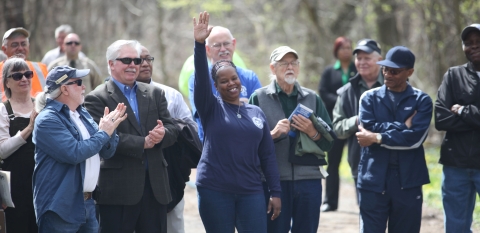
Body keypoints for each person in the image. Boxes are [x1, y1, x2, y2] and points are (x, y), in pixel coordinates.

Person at [193, 12, 281, 233]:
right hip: (215, 190)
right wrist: (199, 43)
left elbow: (268, 156)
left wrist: (275, 192)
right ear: (216, 85)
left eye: (234, 79)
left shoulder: (256, 113)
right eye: (224, 81)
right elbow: (202, 78)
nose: (231, 84)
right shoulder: (211, 107)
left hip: (251, 190)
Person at [84, 39, 179, 233]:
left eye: (137, 61)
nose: (133, 65)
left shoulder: (154, 93)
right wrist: (142, 143)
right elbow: (101, 139)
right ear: (111, 64)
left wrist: (163, 134)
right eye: (126, 60)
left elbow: (172, 128)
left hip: (155, 189)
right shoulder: (97, 98)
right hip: (118, 190)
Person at [250, 45, 334, 232]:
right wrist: (273, 134)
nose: (290, 67)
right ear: (273, 68)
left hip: (309, 181)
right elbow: (249, 145)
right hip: (274, 181)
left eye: (294, 63)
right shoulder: (259, 98)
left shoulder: (313, 98)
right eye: (284, 63)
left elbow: (329, 143)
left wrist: (313, 132)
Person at [32, 65, 126, 232]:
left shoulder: (82, 113)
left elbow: (107, 152)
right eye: (79, 82)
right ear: (64, 89)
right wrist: (104, 132)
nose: (84, 87)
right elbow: (74, 153)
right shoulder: (47, 119)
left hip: (88, 203)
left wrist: (111, 130)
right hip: (60, 207)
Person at [356, 46, 432, 233]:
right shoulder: (368, 98)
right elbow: (368, 127)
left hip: (408, 180)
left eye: (395, 71)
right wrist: (403, 126)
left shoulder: (422, 100)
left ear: (410, 72)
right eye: (385, 69)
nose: (387, 74)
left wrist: (378, 137)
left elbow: (414, 139)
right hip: (373, 178)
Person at [136, 45, 199, 233]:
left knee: (173, 225)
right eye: (140, 60)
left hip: (170, 174)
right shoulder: (116, 96)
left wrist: (169, 130)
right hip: (133, 178)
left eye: (149, 59)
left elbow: (191, 131)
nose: (146, 64)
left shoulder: (170, 95)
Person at [434, 23, 480, 233]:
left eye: (478, 42)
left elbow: (453, 117)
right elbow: (441, 119)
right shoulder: (453, 76)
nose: (474, 47)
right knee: (455, 228)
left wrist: (463, 111)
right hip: (456, 166)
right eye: (468, 43)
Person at [188, 25, 262, 142]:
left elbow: (259, 114)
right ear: (207, 50)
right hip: (213, 147)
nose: (223, 49)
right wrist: (243, 103)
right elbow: (204, 112)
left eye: (226, 43)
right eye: (217, 45)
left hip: (248, 146)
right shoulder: (198, 79)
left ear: (234, 44)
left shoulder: (249, 77)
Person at [331, 39, 383, 202]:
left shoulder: (394, 85)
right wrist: (356, 121)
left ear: (380, 60)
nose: (362, 62)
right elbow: (337, 128)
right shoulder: (346, 92)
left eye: (367, 58)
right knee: (368, 218)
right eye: (359, 58)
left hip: (395, 163)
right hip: (361, 163)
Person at [319, 36, 357, 212]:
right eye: (343, 48)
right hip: (336, 123)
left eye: (349, 48)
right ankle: (330, 202)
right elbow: (323, 93)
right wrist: (342, 101)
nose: (346, 51)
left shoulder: (358, 70)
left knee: (357, 161)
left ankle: (362, 201)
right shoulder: (329, 71)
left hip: (356, 122)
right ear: (336, 51)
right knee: (332, 163)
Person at [0, 58, 38, 232]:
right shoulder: (3, 110)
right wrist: (29, 128)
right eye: (17, 76)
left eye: (27, 74)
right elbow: (3, 151)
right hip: (15, 188)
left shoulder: (42, 106)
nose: (24, 79)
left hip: (42, 183)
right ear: (6, 82)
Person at [1, 27, 48, 100]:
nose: (20, 48)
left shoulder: (41, 68)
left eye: (23, 44)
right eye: (15, 45)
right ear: (4, 49)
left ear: (28, 46)